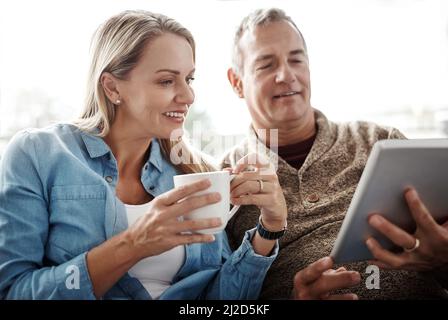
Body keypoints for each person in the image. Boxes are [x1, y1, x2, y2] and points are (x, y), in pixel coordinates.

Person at [0, 10, 288, 300]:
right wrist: (134, 244)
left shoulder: (192, 169)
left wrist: (269, 228)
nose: (188, 96)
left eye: (189, 79)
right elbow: (13, 291)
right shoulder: (39, 155)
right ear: (112, 86)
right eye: (166, 81)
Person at [222, 7, 448, 299]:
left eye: (296, 59)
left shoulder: (383, 142)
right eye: (266, 65)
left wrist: (443, 261)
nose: (286, 75)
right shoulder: (224, 178)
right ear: (237, 82)